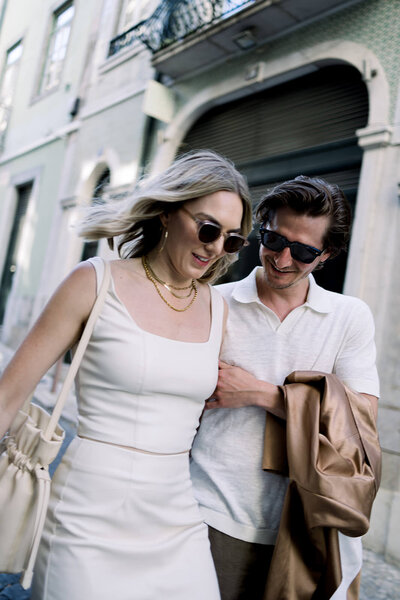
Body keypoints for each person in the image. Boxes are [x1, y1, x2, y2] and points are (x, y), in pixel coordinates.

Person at [0, 150, 253, 600]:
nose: (215, 247)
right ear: (167, 213)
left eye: (231, 240)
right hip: (85, 515)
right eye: (209, 228)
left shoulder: (218, 308)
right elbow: (7, 397)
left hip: (177, 516)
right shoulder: (94, 282)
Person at [190, 175, 381, 599]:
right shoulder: (211, 302)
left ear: (326, 254)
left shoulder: (349, 316)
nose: (282, 258)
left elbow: (361, 414)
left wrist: (260, 394)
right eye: (274, 239)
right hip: (211, 511)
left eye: (305, 250)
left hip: (306, 522)